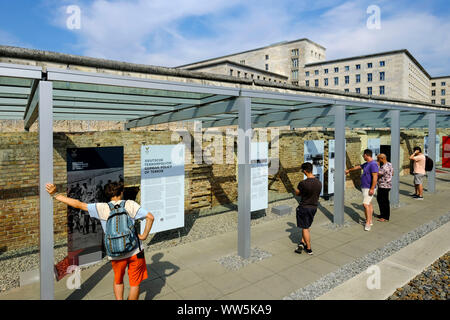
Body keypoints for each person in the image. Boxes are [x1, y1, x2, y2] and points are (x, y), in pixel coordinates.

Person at [46, 181, 155, 300]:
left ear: (107, 194)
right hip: (135, 251)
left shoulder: (102, 207)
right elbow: (150, 217)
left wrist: (55, 194)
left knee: (118, 281)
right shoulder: (130, 204)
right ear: (122, 192)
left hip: (116, 253)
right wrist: (144, 235)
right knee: (134, 284)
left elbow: (78, 204)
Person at [345, 149, 379, 231]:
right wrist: (349, 170)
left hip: (369, 188)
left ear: (366, 155)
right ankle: (370, 220)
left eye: (363, 155)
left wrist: (372, 188)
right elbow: (359, 167)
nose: (363, 156)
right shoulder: (367, 163)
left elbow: (375, 177)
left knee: (365, 204)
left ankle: (367, 223)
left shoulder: (373, 164)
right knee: (369, 203)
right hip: (365, 187)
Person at [294, 162, 322, 255]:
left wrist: (296, 189)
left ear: (305, 171)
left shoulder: (303, 183)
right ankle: (302, 242)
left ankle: (309, 248)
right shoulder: (319, 182)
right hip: (313, 207)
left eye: (302, 171)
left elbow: (298, 193)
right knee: (307, 226)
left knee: (305, 228)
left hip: (304, 207)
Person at [376, 153, 393, 222]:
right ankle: (382, 214)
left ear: (382, 158)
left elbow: (378, 174)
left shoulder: (384, 167)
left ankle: (385, 217)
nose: (377, 160)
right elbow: (393, 173)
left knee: (384, 202)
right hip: (387, 185)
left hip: (383, 186)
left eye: (378, 158)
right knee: (381, 200)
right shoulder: (389, 164)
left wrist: (377, 167)